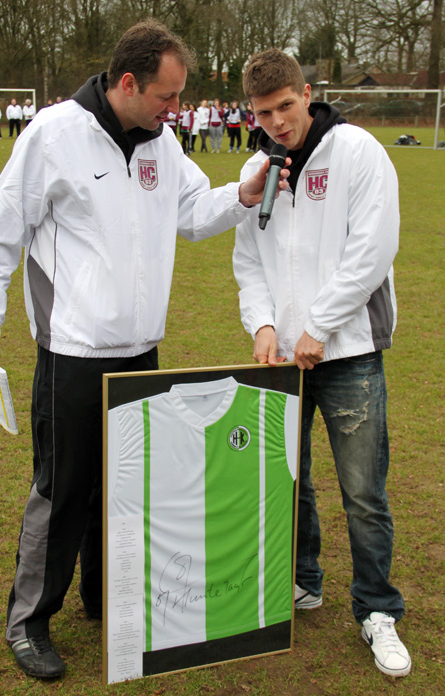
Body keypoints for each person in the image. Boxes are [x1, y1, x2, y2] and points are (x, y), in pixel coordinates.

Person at [0, 20, 289, 681]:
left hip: (142, 351)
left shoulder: (161, 145)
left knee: (126, 489)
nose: (176, 112)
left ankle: (101, 597)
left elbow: (195, 211)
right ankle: (29, 621)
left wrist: (243, 195)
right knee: (63, 490)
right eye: (167, 98)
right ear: (129, 82)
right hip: (73, 352)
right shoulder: (53, 137)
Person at [233, 47, 411, 679]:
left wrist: (319, 327)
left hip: (349, 352)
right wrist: (263, 325)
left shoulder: (359, 151)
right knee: (290, 477)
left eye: (285, 106)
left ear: (306, 94)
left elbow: (373, 249)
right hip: (285, 356)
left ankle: (377, 609)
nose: (277, 122)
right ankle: (304, 581)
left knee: (362, 491)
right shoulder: (261, 166)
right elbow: (248, 261)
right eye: (263, 113)